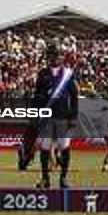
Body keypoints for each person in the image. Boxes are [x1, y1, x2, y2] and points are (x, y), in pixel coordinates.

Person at [33, 46, 79, 189]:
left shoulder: (68, 74)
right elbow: (37, 96)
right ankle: (45, 179)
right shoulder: (42, 73)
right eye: (51, 55)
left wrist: (73, 116)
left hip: (63, 116)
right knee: (45, 148)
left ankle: (63, 178)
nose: (54, 58)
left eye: (57, 55)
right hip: (46, 117)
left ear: (62, 57)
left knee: (64, 147)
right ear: (48, 57)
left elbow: (74, 96)